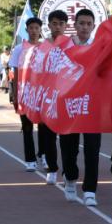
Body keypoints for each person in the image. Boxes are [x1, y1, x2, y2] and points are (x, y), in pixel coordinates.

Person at [59, 9, 104, 205]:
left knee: (92, 148)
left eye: (88, 24)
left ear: (93, 26)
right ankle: (70, 178)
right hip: (69, 105)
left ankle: (90, 190)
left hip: (92, 105)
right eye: (81, 23)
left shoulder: (99, 48)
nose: (85, 27)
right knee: (69, 147)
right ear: (75, 25)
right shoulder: (64, 47)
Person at [39, 10, 71, 185]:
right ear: (49, 25)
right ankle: (52, 169)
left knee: (67, 138)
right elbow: (36, 72)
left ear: (66, 26)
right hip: (47, 98)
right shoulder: (42, 47)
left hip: (66, 98)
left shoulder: (72, 44)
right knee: (48, 136)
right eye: (54, 23)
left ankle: (68, 171)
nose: (58, 27)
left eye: (61, 24)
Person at [9, 17, 44, 171]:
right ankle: (30, 160)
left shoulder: (46, 48)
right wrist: (15, 95)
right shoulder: (19, 49)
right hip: (25, 94)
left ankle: (43, 154)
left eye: (37, 28)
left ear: (40, 30)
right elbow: (16, 73)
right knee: (27, 127)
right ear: (27, 30)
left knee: (43, 128)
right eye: (31, 28)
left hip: (41, 94)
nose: (34, 31)